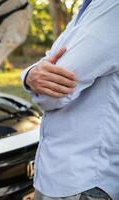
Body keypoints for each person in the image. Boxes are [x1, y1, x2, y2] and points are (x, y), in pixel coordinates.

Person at [21, 0, 119, 199]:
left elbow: (51, 93)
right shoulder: (87, 7)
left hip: (82, 181)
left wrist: (34, 77)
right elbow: (47, 61)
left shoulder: (111, 7)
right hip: (64, 176)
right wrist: (29, 74)